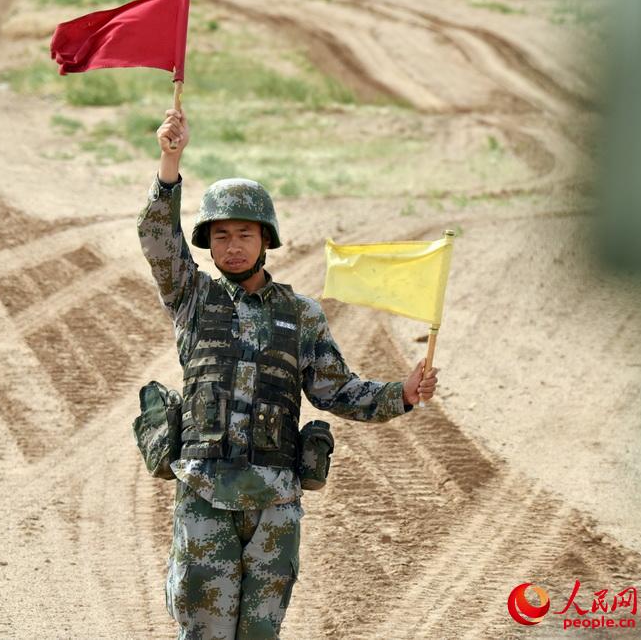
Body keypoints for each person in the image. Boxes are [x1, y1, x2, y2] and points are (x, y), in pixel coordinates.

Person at [137, 108, 439, 640]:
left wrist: (402, 394)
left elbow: (337, 390)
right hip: (205, 492)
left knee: (260, 632)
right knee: (203, 628)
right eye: (222, 235)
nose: (233, 246)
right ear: (208, 242)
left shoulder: (300, 315)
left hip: (274, 500)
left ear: (265, 240)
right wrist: (170, 160)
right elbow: (159, 240)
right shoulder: (193, 297)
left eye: (245, 234)